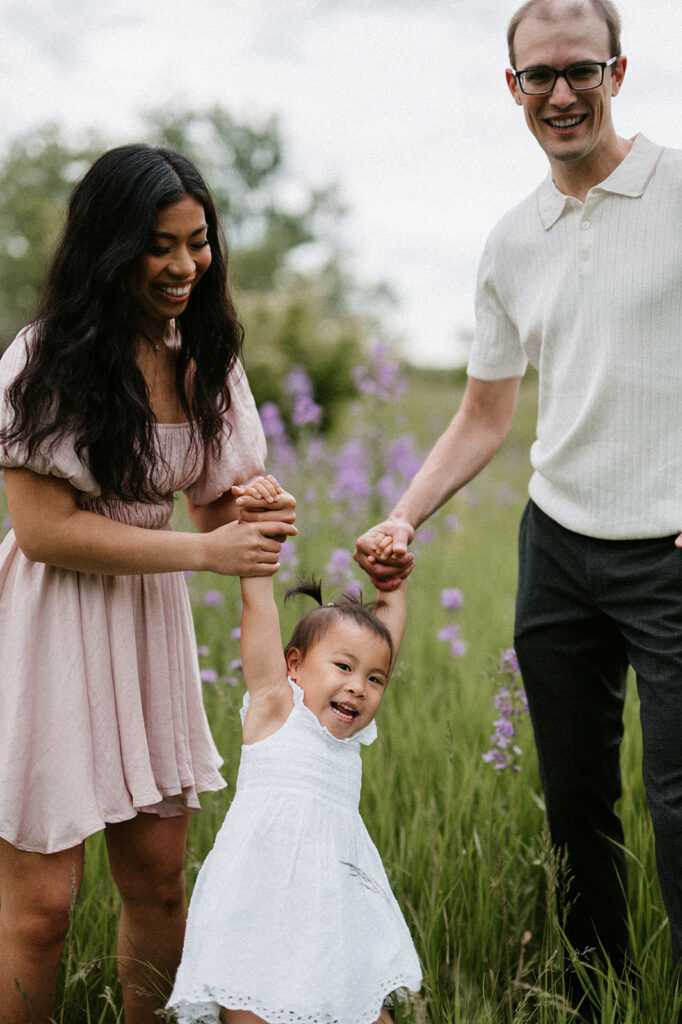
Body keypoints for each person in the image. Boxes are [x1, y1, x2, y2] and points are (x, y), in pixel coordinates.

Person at [355, 0, 682, 1009]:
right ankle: (599, 995)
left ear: (616, 72)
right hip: (559, 548)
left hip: (668, 551)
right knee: (577, 805)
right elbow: (482, 413)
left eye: (579, 70)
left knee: (678, 805)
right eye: (537, 76)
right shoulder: (510, 240)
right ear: (512, 90)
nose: (560, 93)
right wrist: (403, 514)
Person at [0, 145, 297, 1024]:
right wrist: (208, 554)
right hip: (48, 628)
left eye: (197, 243)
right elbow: (43, 531)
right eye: (158, 246)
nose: (183, 267)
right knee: (44, 908)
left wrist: (257, 509)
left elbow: (215, 514)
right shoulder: (44, 357)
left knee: (161, 887)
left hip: (145, 630)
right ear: (109, 248)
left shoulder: (205, 357)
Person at [167, 474, 422, 1024]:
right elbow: (257, 606)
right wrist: (259, 532)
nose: (359, 687)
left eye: (374, 680)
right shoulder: (276, 709)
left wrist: (392, 588)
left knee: (360, 1006)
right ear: (292, 666)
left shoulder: (348, 737)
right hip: (258, 902)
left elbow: (386, 643)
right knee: (254, 1003)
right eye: (343, 667)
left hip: (336, 906)